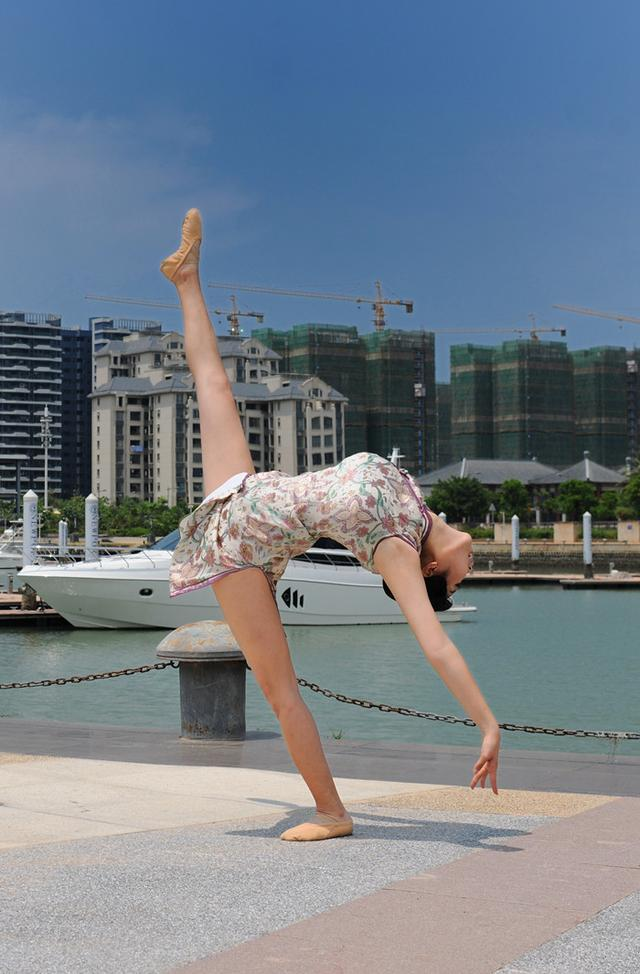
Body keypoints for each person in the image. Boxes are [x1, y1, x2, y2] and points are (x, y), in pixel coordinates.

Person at [161, 209, 501, 842]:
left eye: (456, 584)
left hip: (239, 547)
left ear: (428, 569)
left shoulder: (396, 548)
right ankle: (187, 279)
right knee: (212, 380)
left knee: (280, 691)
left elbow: (436, 646)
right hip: (252, 492)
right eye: (464, 579)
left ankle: (331, 812)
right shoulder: (410, 497)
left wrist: (488, 724)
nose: (467, 573)